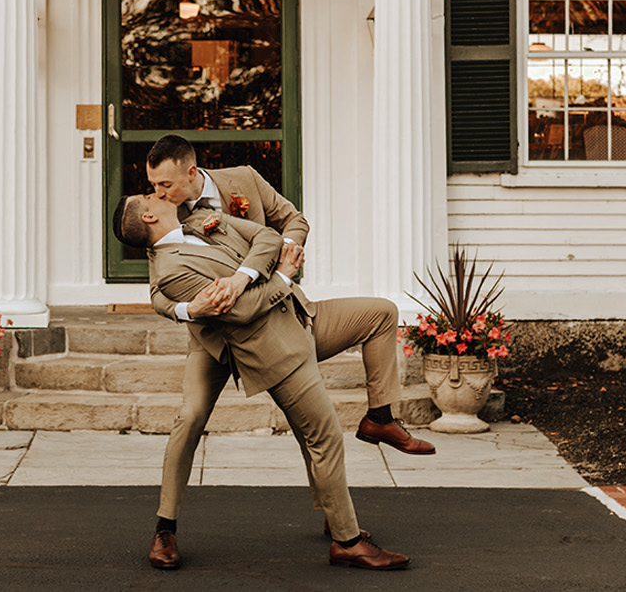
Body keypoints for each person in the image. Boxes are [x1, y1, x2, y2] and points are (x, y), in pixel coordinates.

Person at [113, 193, 411, 571]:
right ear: (150, 216)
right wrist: (283, 274)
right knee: (313, 432)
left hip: (295, 319)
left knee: (379, 315)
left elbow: (268, 238)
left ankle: (373, 435)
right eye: (150, 193)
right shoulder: (170, 270)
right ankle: (347, 541)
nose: (158, 190)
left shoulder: (199, 218)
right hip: (262, 345)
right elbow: (243, 312)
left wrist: (244, 276)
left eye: (159, 182)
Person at [142, 135, 433, 465]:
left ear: (191, 172)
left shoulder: (244, 179)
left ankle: (379, 419)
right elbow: (156, 293)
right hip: (216, 336)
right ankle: (167, 516)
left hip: (275, 318)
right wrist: (189, 309)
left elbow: (294, 220)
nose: (159, 193)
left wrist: (290, 247)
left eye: (164, 183)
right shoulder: (163, 214)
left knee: (314, 427)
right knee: (190, 417)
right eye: (153, 185)